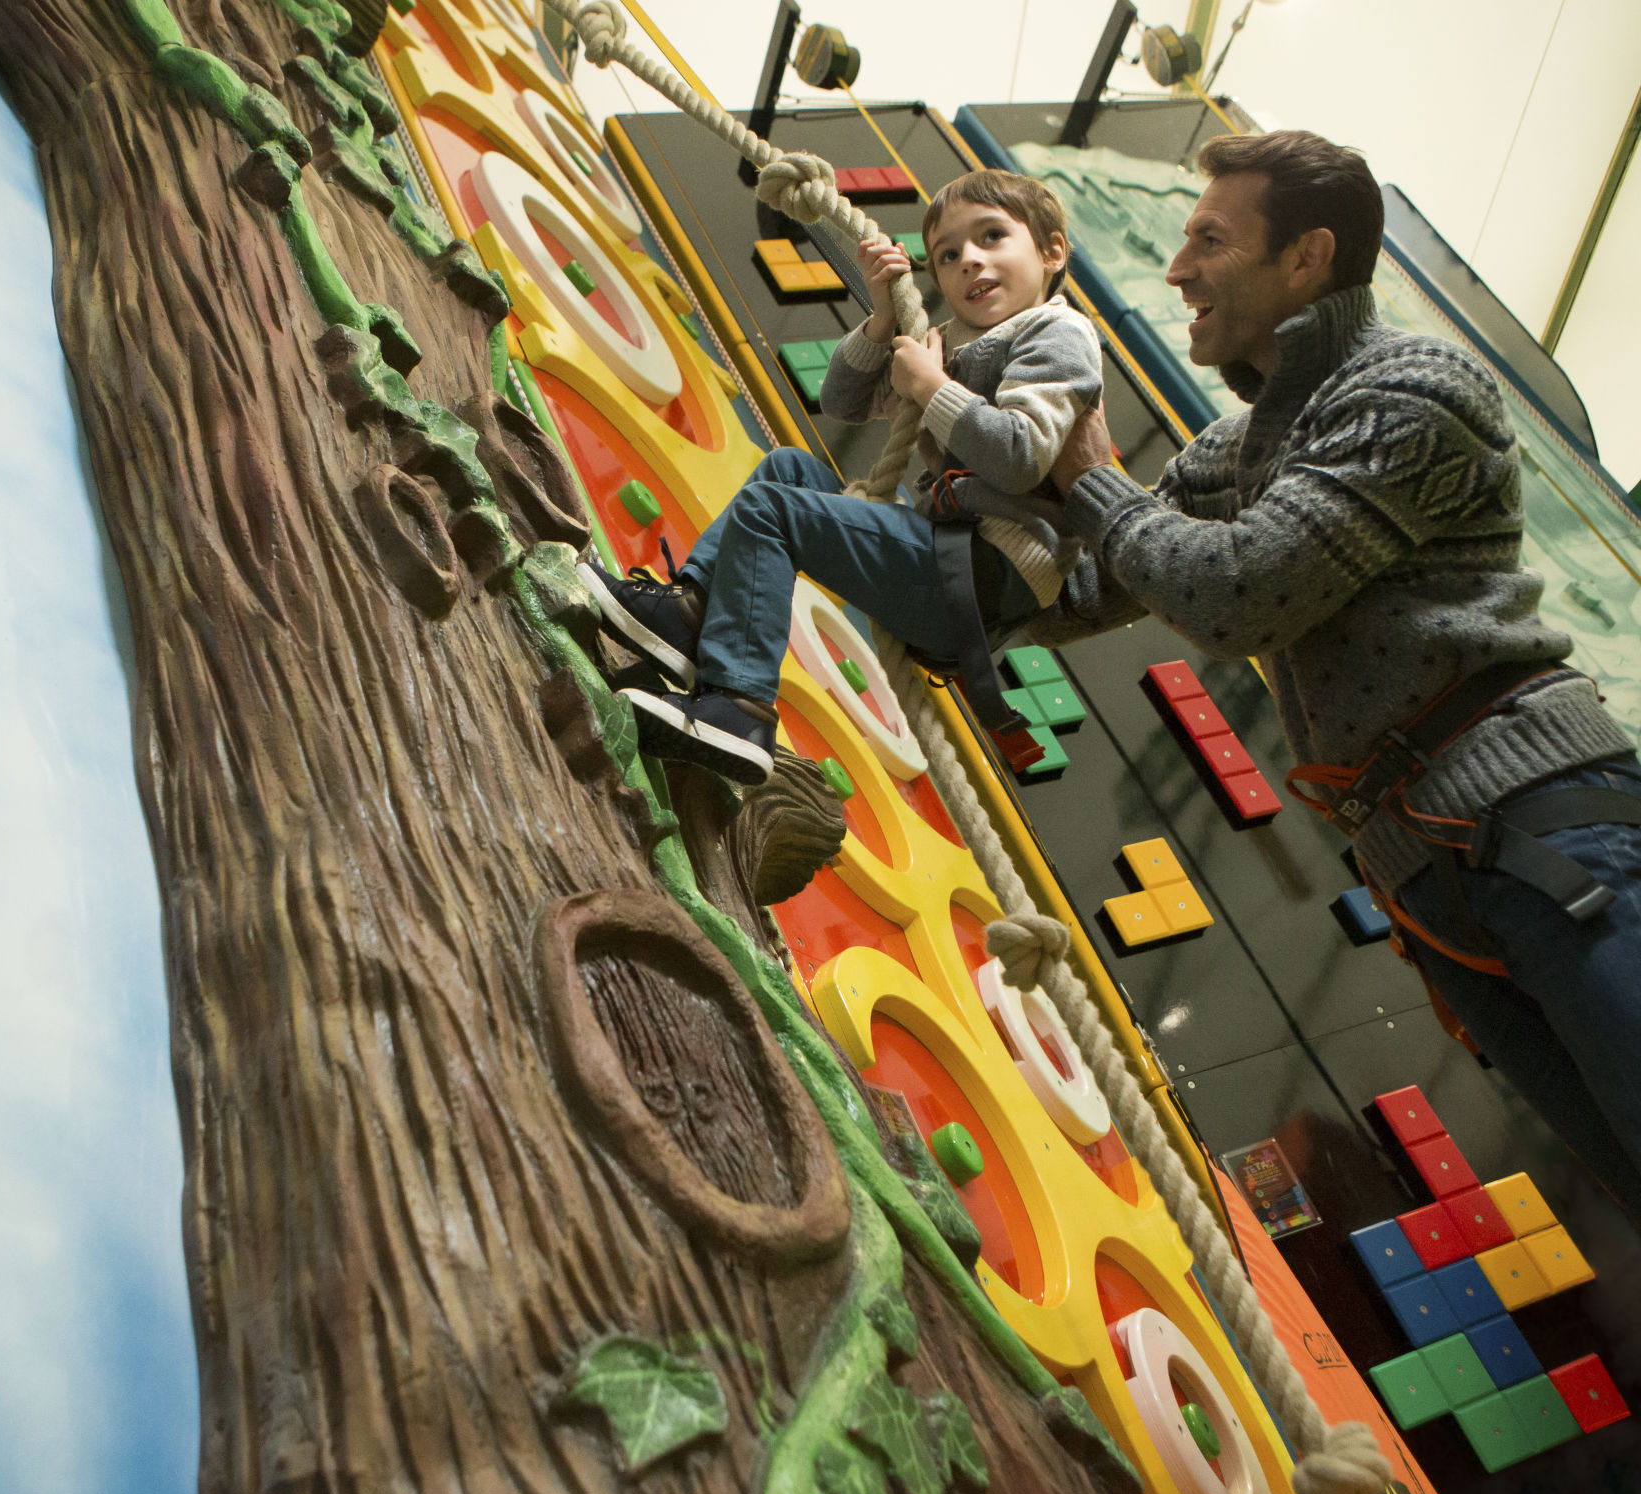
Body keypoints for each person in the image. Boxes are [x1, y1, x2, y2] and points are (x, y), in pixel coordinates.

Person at [1038, 129, 1641, 1220]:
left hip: (1545, 829)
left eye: (1209, 241)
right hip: (1438, 869)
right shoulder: (1241, 446)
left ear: (1306, 259)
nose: (1176, 270)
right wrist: (958, 459)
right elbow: (1095, 587)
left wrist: (1090, 483)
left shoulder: (1415, 383)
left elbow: (1233, 593)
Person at [578, 169, 1105, 784]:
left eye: (992, 237)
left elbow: (1021, 454)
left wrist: (933, 388)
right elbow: (843, 401)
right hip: (950, 550)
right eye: (949, 254)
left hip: (987, 572)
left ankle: (739, 705)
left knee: (772, 511)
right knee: (789, 470)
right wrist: (883, 321)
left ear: (1051, 251)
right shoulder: (950, 341)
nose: (970, 262)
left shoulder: (1057, 333)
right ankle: (694, 613)